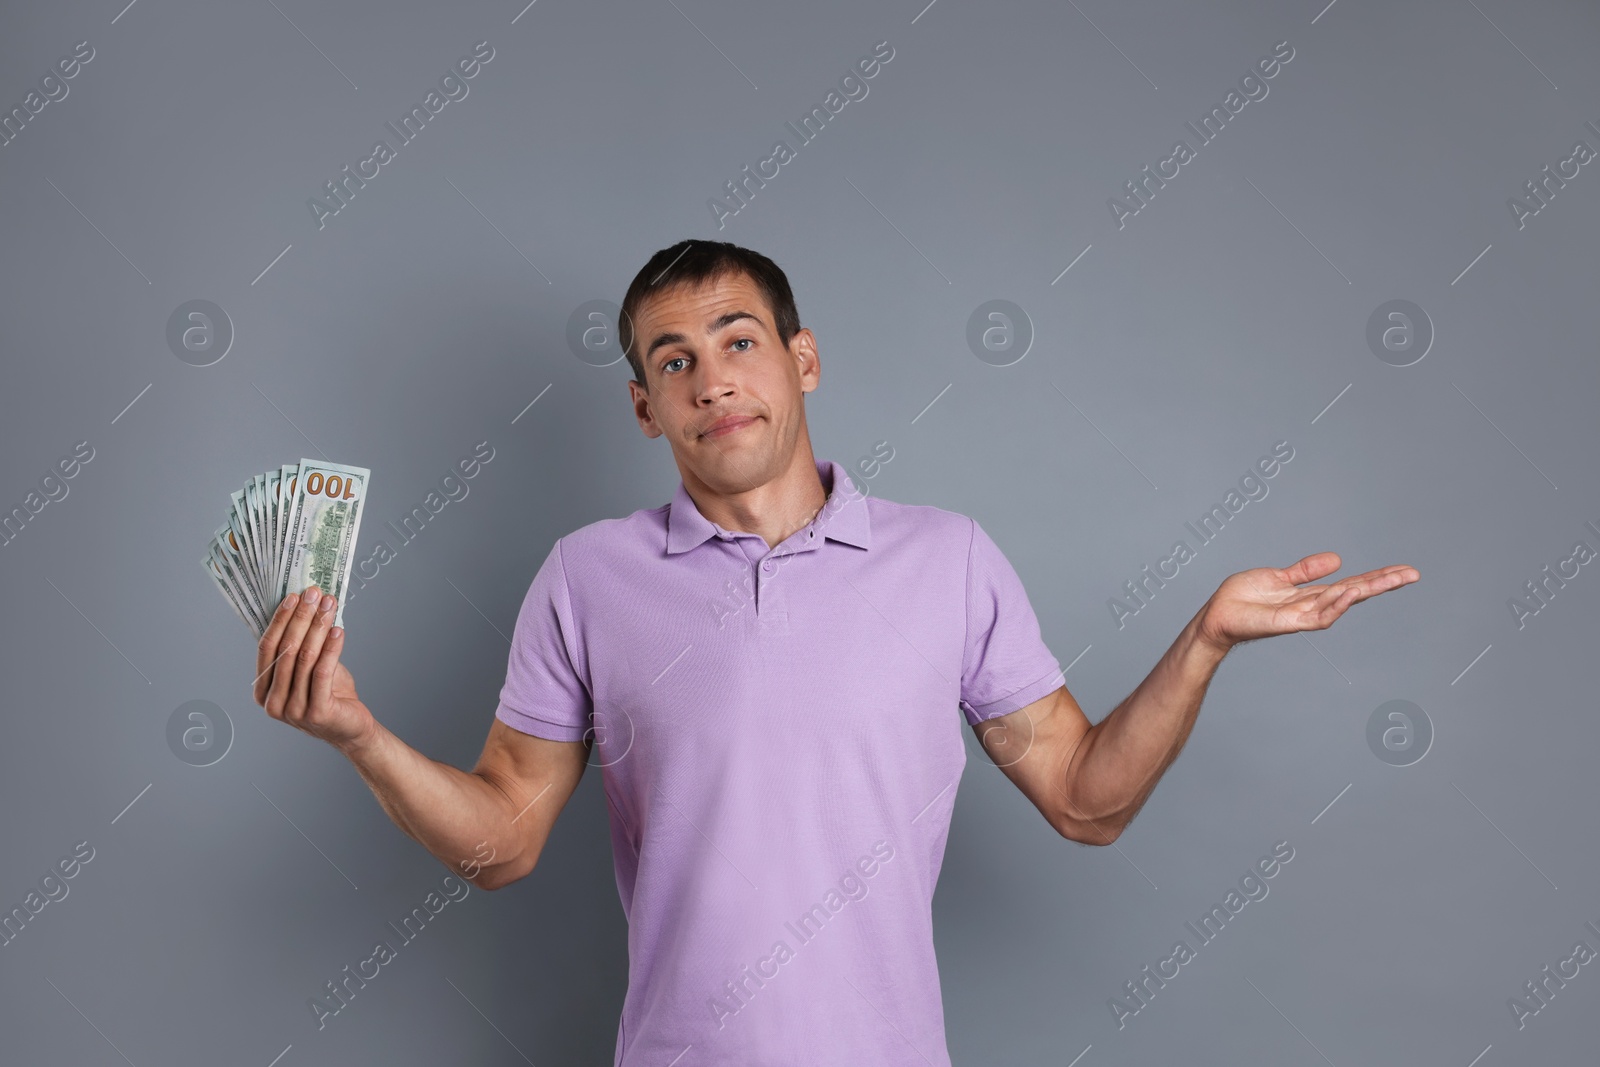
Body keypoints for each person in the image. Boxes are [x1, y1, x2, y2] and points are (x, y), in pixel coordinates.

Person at [252, 239, 1419, 1065]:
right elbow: (503, 841)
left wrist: (1204, 638)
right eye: (672, 360)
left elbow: (1085, 799)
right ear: (643, 408)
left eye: (737, 339)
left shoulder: (947, 560)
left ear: (802, 361)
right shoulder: (585, 577)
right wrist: (357, 732)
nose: (711, 377)